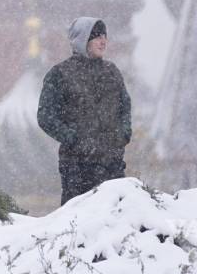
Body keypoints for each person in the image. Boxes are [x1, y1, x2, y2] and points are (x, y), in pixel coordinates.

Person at [37, 17, 132, 204]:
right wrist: (73, 138)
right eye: (96, 36)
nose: (103, 41)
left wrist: (123, 134)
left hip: (111, 163)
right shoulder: (60, 74)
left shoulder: (112, 72)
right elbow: (45, 116)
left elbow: (125, 107)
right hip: (77, 166)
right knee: (78, 222)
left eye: (104, 36)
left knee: (115, 220)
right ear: (82, 40)